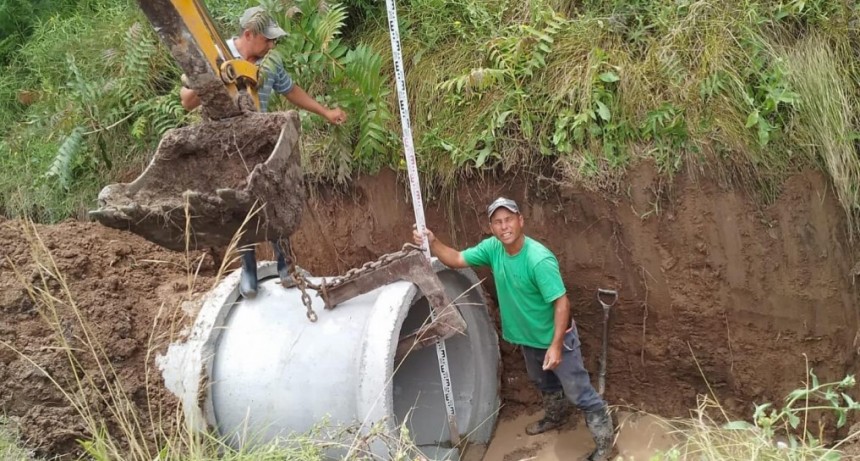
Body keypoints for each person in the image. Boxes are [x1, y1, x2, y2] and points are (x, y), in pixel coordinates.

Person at [413, 197, 615, 461]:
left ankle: (605, 444)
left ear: (521, 221)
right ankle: (556, 416)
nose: (504, 226)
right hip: (528, 340)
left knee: (579, 392)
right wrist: (434, 242)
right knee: (543, 381)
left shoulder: (538, 259)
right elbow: (457, 258)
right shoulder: (493, 249)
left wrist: (555, 346)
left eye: (508, 219)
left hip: (556, 339)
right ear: (491, 227)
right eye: (497, 222)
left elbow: (562, 303)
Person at [180, 6, 347, 298]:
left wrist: (325, 112)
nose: (272, 45)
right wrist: (213, 79)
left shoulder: (268, 62)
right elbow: (186, 101)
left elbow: (290, 90)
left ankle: (286, 266)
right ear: (248, 34)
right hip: (227, 147)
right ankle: (248, 270)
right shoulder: (213, 53)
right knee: (239, 205)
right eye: (267, 39)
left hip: (261, 142)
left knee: (275, 199)